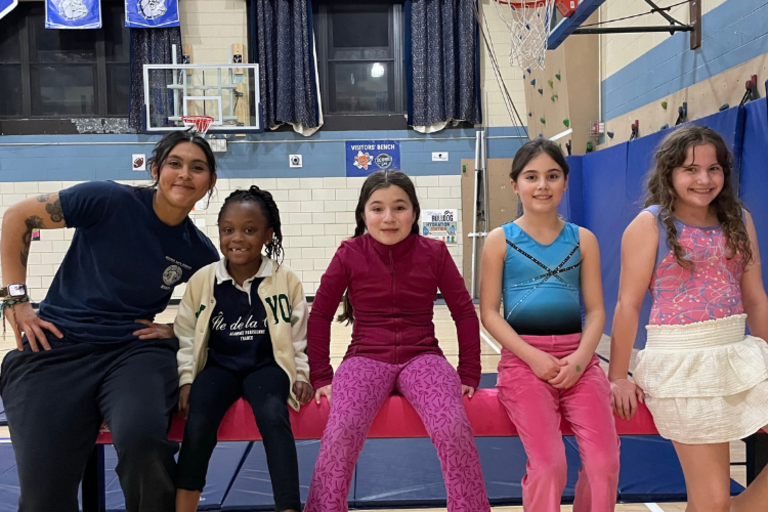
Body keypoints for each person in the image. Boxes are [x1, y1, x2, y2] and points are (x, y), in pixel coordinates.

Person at [0, 130, 220, 512]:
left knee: (144, 443)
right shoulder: (107, 199)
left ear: (210, 181)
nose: (185, 174)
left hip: (132, 351)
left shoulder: (198, 251)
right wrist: (15, 300)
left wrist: (176, 329)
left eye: (197, 168)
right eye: (175, 164)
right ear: (155, 169)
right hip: (56, 344)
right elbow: (17, 217)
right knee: (43, 498)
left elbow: (222, 308)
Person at [304, 170, 490, 512]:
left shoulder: (433, 253)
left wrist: (469, 372)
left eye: (399, 207)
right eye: (377, 209)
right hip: (364, 358)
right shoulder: (349, 253)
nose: (388, 218)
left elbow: (464, 312)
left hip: (423, 358)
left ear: (414, 213)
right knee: (341, 431)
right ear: (363, 214)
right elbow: (318, 316)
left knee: (452, 428)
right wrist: (321, 376)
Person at [609, 125, 768, 511]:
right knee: (711, 500)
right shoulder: (649, 225)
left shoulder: (739, 219)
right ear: (669, 174)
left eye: (714, 169)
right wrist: (617, 376)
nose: (704, 179)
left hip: (738, 353)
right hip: (682, 362)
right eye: (691, 169)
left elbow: (756, 298)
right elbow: (627, 305)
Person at [479, 138, 619, 511]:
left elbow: (596, 311)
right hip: (525, 363)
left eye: (552, 176)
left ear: (565, 182)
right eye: (532, 176)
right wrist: (533, 357)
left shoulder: (583, 240)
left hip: (579, 360)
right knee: (549, 464)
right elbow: (489, 312)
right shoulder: (499, 241)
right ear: (515, 184)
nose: (542, 185)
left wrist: (579, 359)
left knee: (604, 464)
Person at [174, 186, 312, 512]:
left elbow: (297, 338)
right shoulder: (203, 280)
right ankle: (184, 505)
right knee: (199, 420)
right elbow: (187, 335)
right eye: (228, 230)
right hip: (218, 367)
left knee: (274, 417)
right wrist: (186, 379)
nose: (237, 238)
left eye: (249, 230)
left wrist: (301, 374)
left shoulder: (285, 280)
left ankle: (289, 506)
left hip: (266, 367)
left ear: (268, 234)